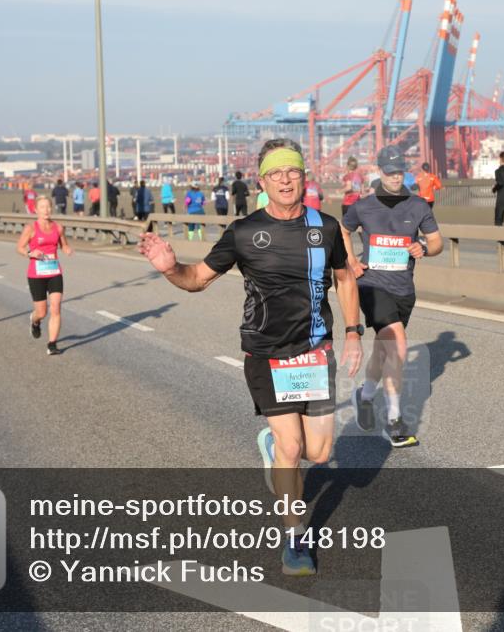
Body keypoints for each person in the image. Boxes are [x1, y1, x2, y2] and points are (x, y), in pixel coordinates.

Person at [138, 138, 362, 577]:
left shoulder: (326, 227)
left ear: (304, 177)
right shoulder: (243, 232)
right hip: (266, 354)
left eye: (293, 171)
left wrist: (353, 331)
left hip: (316, 352)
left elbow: (344, 278)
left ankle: (273, 449)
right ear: (262, 181)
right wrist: (170, 268)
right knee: (292, 446)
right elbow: (198, 279)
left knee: (318, 454)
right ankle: (295, 537)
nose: (285, 179)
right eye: (276, 173)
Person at [342, 144, 443, 448]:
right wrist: (351, 262)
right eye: (390, 172)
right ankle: (395, 421)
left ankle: (366, 396)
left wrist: (423, 248)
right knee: (397, 343)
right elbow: (342, 230)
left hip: (403, 289)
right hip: (372, 286)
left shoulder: (418, 206)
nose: (396, 176)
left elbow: (437, 242)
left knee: (383, 351)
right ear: (380, 172)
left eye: (400, 171)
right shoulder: (363, 206)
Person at [17, 196, 73, 356]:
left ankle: (52, 344)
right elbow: (19, 247)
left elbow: (64, 244)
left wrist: (67, 249)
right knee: (42, 313)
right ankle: (34, 321)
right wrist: (30, 253)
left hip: (54, 272)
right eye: (42, 207)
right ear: (36, 210)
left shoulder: (58, 227)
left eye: (48, 207)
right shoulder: (31, 228)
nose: (46, 210)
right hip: (36, 274)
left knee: (56, 308)